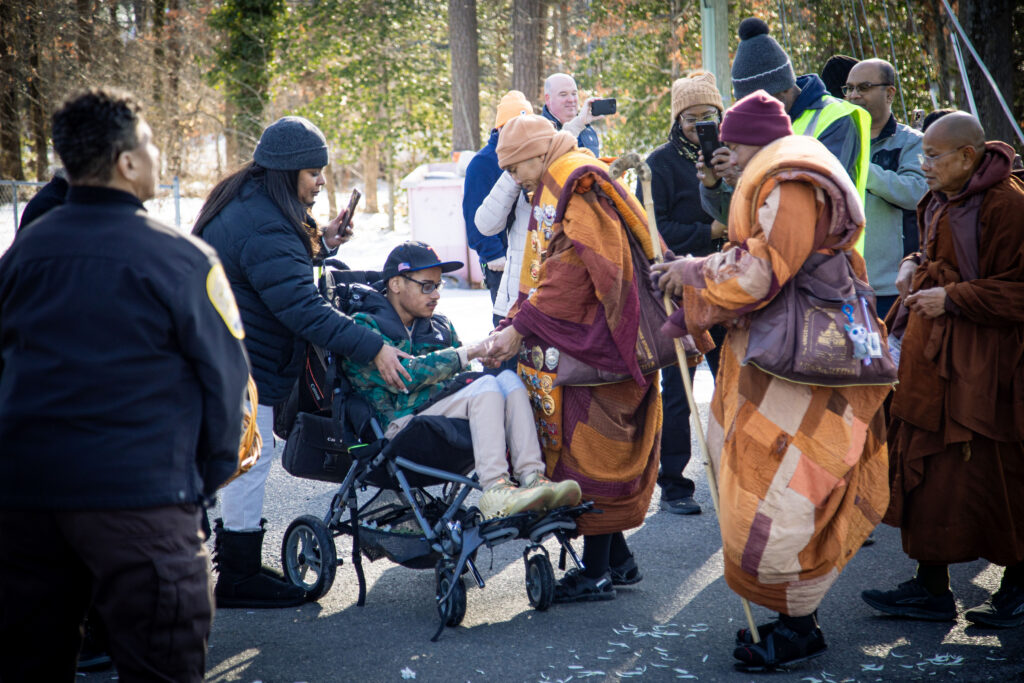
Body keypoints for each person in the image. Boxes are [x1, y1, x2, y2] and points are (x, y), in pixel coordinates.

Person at [0, 88, 250, 681]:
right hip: (142, 502)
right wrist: (198, 482)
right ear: (127, 162)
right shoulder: (180, 259)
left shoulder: (22, 255)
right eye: (151, 142)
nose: (158, 155)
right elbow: (227, 388)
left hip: (24, 507)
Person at [654, 91, 890, 670]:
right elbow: (761, 264)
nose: (723, 155)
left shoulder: (788, 181)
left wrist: (691, 272)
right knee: (759, 480)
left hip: (802, 368)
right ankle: (788, 618)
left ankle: (798, 626)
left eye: (730, 146)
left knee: (782, 489)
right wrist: (692, 313)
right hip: (782, 358)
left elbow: (759, 273)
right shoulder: (775, 174)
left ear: (756, 141)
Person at [193, 116, 410, 608]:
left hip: (223, 353)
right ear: (286, 171)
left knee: (237, 460)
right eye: (313, 173)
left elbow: (275, 271)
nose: (319, 183)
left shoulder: (253, 202)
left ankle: (234, 563)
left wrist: (325, 242)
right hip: (238, 361)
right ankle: (238, 575)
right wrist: (372, 346)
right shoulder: (264, 222)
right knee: (247, 463)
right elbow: (301, 307)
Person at [484, 114, 662, 603]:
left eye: (516, 168)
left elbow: (572, 270)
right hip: (592, 343)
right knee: (590, 455)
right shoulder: (562, 173)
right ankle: (619, 562)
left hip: (600, 349)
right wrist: (516, 320)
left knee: (593, 457)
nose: (516, 179)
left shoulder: (572, 180)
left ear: (538, 153)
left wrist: (521, 325)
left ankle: (596, 573)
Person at [860, 112, 1024, 628]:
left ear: (968, 157)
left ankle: (1018, 586)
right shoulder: (938, 199)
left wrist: (952, 297)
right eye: (923, 154)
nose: (923, 165)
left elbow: (1018, 290)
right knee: (925, 468)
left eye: (932, 156)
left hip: (988, 370)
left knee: (996, 475)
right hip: (930, 362)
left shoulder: (1008, 206)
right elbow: (935, 251)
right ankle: (931, 587)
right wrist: (912, 262)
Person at [340, 241, 581, 518]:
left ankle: (532, 477)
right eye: (426, 286)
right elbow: (407, 376)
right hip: (398, 428)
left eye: (438, 286)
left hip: (436, 418)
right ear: (395, 284)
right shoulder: (364, 328)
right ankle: (495, 488)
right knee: (486, 386)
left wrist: (483, 359)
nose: (436, 295)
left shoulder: (439, 326)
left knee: (507, 381)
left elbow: (456, 377)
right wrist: (470, 353)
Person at [636, 71, 728, 517]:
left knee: (732, 381)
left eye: (707, 116)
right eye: (690, 118)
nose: (699, 125)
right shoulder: (659, 164)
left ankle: (734, 472)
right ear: (676, 120)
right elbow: (652, 229)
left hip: (728, 283)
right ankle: (673, 481)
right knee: (679, 387)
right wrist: (709, 230)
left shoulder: (733, 157)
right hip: (679, 286)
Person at [701, 18, 870, 243]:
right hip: (771, 264)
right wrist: (714, 184)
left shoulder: (836, 119)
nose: (752, 113)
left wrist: (745, 179)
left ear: (782, 92)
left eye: (757, 103)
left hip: (826, 266)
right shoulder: (752, 128)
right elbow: (735, 217)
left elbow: (813, 205)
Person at [844, 58, 927, 318]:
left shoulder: (912, 142)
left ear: (890, 93)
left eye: (864, 87)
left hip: (892, 289)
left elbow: (918, 193)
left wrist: (861, 167)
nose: (854, 95)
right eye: (848, 88)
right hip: (842, 286)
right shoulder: (838, 140)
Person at [462, 90, 532, 318]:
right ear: (500, 128)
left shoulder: (531, 156)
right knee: (507, 320)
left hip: (526, 255)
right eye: (514, 126)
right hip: (499, 262)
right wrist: (492, 254)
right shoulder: (483, 163)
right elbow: (474, 216)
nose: (520, 133)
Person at [541, 72, 603, 157]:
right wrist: (578, 124)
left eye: (574, 94)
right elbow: (550, 161)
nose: (571, 99)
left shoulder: (588, 130)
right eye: (563, 94)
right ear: (548, 99)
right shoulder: (538, 131)